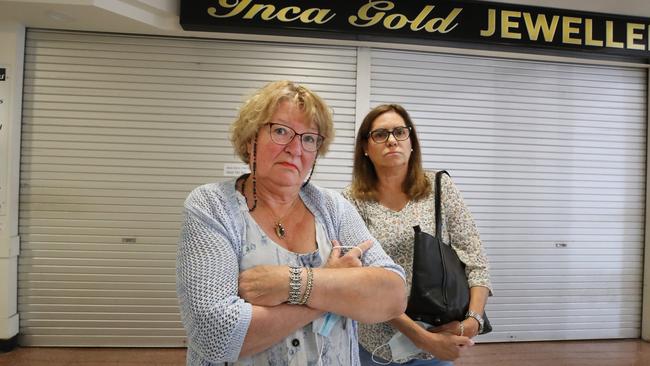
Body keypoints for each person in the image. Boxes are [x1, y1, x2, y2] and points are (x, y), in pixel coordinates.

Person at [176, 81, 407, 366]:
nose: (295, 148)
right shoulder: (213, 205)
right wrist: (334, 288)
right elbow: (215, 335)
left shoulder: (333, 207)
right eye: (281, 131)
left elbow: (393, 295)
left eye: (309, 138)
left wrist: (292, 284)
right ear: (251, 140)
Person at [342, 104, 492, 365]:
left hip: (438, 341)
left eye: (400, 132)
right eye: (380, 134)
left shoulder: (440, 187)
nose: (391, 140)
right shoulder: (350, 202)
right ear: (365, 148)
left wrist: (472, 322)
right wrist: (420, 337)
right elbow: (360, 284)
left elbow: (476, 260)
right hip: (377, 346)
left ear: (411, 143)